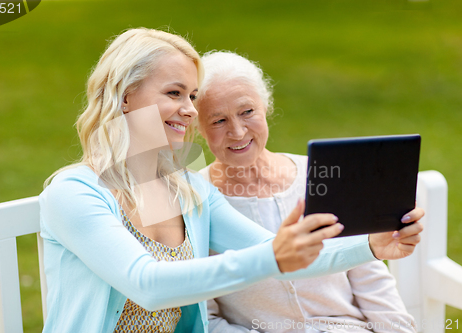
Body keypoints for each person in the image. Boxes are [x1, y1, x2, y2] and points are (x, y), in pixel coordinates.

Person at [39, 28, 424, 333]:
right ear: (125, 96)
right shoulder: (74, 193)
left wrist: (372, 246)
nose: (190, 110)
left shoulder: (182, 189)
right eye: (174, 93)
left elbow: (285, 253)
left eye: (191, 95)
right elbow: (148, 285)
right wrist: (273, 256)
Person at [194, 50, 419, 333]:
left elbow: (371, 279)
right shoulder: (195, 202)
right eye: (218, 120)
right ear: (198, 125)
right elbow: (206, 320)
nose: (238, 132)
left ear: (266, 106)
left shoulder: (325, 174)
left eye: (247, 112)